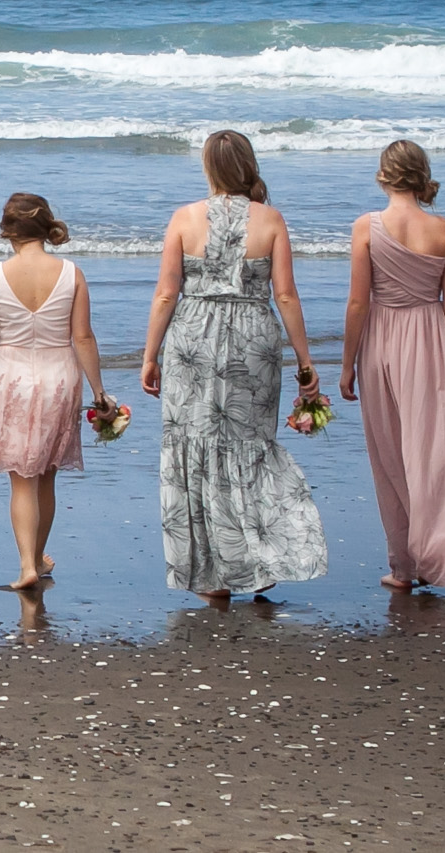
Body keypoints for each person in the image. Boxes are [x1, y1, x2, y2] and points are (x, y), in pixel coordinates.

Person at [140, 130, 327, 600]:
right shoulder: (271, 219)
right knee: (251, 444)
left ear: (208, 167)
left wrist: (150, 354)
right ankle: (256, 563)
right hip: (253, 339)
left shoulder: (184, 218)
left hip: (192, 339)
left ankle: (210, 576)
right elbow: (285, 293)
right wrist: (305, 359)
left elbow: (166, 292)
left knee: (194, 446)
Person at [339, 140, 445, 591]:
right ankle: (434, 553)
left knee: (389, 450)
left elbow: (359, 302)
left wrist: (347, 364)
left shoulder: (366, 226)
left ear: (382, 176)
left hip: (382, 338)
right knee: (433, 449)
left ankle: (403, 566)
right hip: (432, 338)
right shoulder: (444, 230)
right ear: (421, 175)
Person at [0, 193, 108, 591]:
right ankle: (38, 559)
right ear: (46, 227)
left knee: (21, 479)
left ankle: (27, 563)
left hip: (11, 376)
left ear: (7, 231)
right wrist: (99, 391)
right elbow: (83, 337)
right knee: (46, 474)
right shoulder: (71, 273)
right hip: (59, 376)